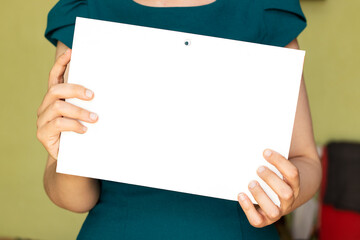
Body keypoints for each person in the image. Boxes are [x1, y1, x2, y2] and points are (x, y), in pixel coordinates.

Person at [37, 0, 322, 239]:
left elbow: (305, 159)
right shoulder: (86, 8)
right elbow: (75, 198)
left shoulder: (262, 8)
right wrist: (67, 156)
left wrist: (288, 196)